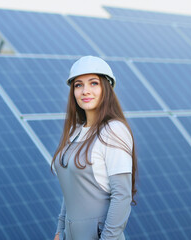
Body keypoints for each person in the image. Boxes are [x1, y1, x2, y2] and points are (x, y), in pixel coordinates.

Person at [52, 56, 138, 240]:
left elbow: (121, 196)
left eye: (93, 83)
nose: (85, 91)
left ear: (106, 88)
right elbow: (71, 190)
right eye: (78, 85)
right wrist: (60, 230)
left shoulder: (113, 130)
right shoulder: (75, 130)